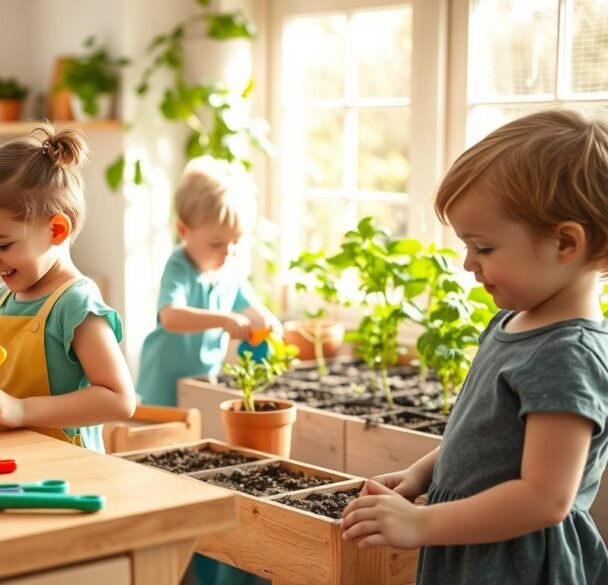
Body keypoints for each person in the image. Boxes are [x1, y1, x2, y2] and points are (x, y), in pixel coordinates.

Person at [342, 110, 608, 585]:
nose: (468, 263)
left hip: (517, 566)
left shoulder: (568, 355)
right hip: (473, 551)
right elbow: (483, 438)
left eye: (484, 248)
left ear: (566, 242)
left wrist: (421, 523)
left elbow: (545, 499)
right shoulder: (512, 321)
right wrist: (424, 472)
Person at [0, 124, 135, 452]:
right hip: (13, 458)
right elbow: (9, 373)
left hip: (68, 469)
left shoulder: (75, 304)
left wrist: (21, 410)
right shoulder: (3, 300)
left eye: (2, 245)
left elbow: (119, 399)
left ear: (56, 229)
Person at [136, 156, 282, 408]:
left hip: (203, 381)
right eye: (216, 244)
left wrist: (268, 324)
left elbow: (254, 310)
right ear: (183, 231)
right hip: (163, 384)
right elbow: (171, 317)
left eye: (235, 241)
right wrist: (224, 320)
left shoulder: (229, 272)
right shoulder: (179, 265)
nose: (228, 252)